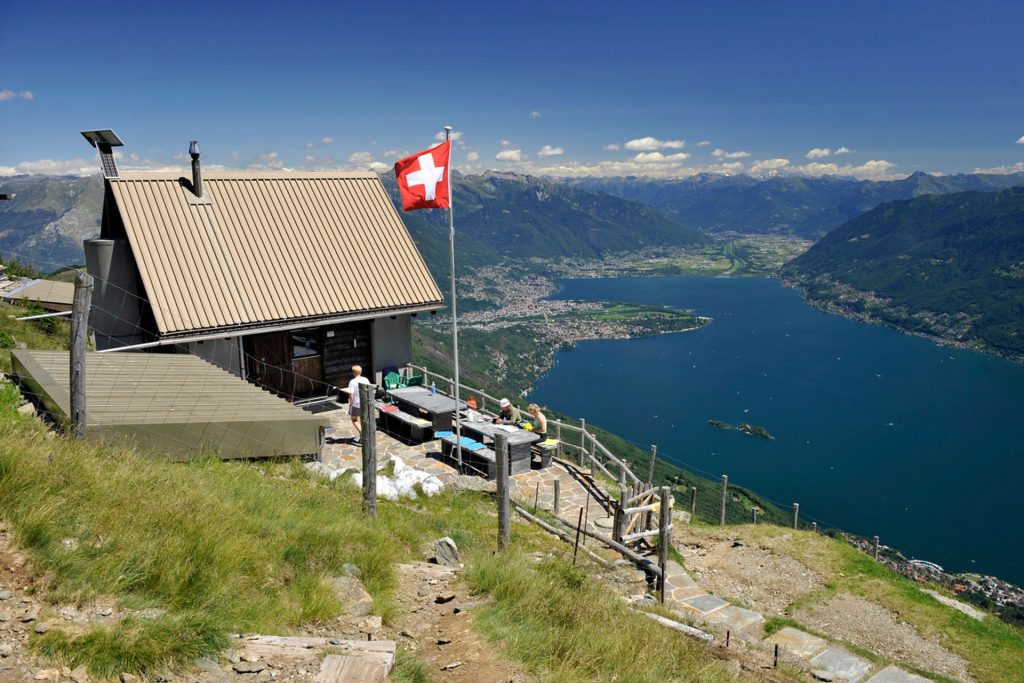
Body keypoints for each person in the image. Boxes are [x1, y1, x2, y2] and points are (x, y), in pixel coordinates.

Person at [347, 365, 371, 443]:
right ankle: (367, 434)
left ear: (353, 373)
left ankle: (362, 433)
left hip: (356, 403)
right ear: (361, 372)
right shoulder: (365, 379)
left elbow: (351, 395)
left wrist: (350, 404)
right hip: (365, 402)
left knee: (354, 419)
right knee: (364, 419)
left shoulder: (352, 382)